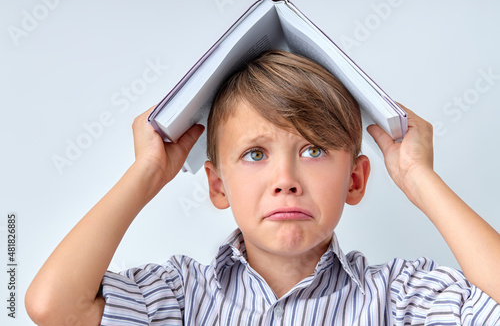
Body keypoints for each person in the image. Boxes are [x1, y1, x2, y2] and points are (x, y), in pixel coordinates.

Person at [25, 50, 500, 325]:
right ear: (217, 186)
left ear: (355, 180)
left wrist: (420, 178)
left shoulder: (397, 297)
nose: (286, 182)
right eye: (255, 154)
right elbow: (53, 307)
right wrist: (146, 174)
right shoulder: (182, 295)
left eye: (313, 150)